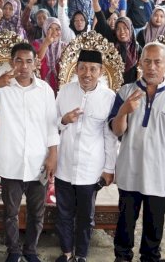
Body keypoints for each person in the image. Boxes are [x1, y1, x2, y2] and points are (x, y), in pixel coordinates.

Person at [109, 42, 165, 262]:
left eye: (158, 62)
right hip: (130, 172)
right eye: (147, 61)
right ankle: (122, 257)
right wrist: (124, 111)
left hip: (160, 176)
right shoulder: (126, 92)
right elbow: (117, 130)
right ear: (140, 63)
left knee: (154, 228)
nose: (152, 67)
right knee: (125, 225)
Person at [0, 42, 60, 262]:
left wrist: (53, 155)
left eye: (29, 61)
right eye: (19, 61)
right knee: (11, 212)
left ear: (35, 63)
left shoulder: (45, 90)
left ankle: (30, 250)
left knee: (37, 212)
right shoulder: (3, 87)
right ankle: (14, 251)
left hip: (38, 161)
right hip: (10, 160)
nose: (24, 66)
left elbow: (52, 125)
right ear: (11, 62)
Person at [54, 50, 118, 262]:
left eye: (92, 69)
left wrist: (109, 169)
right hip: (65, 163)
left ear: (100, 71)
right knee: (63, 212)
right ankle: (66, 252)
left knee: (85, 216)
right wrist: (63, 120)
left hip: (90, 168)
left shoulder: (109, 98)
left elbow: (110, 136)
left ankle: (81, 254)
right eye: (82, 68)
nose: (87, 73)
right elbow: (51, 124)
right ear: (76, 68)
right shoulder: (64, 91)